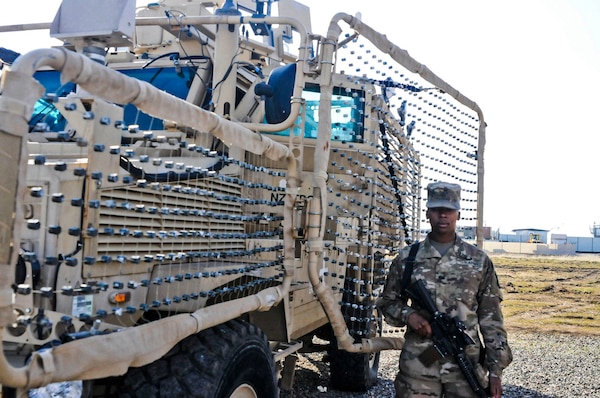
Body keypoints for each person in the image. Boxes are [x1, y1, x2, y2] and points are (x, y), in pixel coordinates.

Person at [377, 182, 512, 398]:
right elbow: (387, 302)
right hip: (419, 365)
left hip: (465, 366)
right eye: (437, 210)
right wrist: (409, 315)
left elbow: (492, 319)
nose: (443, 215)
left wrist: (495, 371)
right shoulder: (407, 259)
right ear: (428, 213)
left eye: (448, 210)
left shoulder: (478, 261)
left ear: (457, 214)